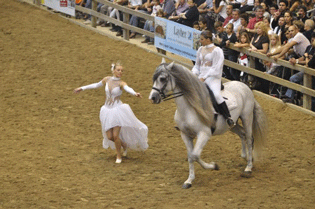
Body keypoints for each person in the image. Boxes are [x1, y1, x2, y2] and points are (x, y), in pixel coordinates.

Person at [73, 61, 149, 164]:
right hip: (107, 110)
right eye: (118, 70)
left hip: (117, 111)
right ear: (113, 71)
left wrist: (135, 93)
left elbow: (127, 88)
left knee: (115, 135)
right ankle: (124, 145)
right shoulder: (107, 79)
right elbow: (96, 85)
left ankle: (119, 155)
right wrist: (82, 88)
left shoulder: (121, 83)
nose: (120, 72)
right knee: (110, 137)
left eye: (122, 70)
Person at [192, 30, 235, 127]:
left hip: (213, 78)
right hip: (201, 77)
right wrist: (193, 73)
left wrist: (205, 77)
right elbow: (197, 65)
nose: (200, 41)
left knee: (216, 95)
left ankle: (228, 117)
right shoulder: (200, 49)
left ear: (208, 39)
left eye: (202, 39)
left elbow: (216, 68)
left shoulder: (217, 51)